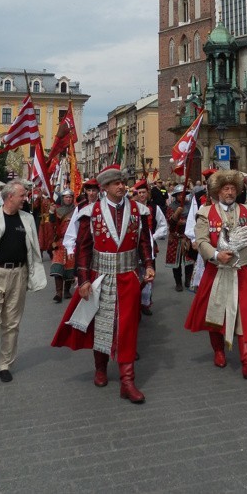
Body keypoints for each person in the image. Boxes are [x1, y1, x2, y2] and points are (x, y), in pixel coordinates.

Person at [51, 165, 154, 404]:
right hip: (101, 275)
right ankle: (100, 367)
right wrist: (84, 280)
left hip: (128, 274)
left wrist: (148, 265)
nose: (121, 186)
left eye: (123, 182)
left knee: (128, 327)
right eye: (116, 183)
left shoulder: (139, 211)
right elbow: (84, 248)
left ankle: (128, 381)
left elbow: (144, 242)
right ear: (105, 187)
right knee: (101, 323)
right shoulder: (91, 212)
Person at [185, 169, 247, 380]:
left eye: (233, 188)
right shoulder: (205, 213)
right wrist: (216, 255)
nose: (230, 192)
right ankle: (218, 350)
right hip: (216, 271)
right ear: (217, 191)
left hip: (242, 271)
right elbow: (201, 241)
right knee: (217, 313)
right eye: (225, 188)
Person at [0, 180, 46, 387]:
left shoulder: (27, 219)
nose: (25, 198)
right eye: (22, 195)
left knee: (11, 324)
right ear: (10, 196)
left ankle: (5, 364)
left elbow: (33, 250)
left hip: (18, 274)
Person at [132, 179, 168, 315]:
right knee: (135, 275)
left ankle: (145, 303)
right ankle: (134, 303)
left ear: (148, 193)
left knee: (148, 275)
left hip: (149, 246)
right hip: (133, 246)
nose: (141, 195)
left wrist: (152, 236)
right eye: (139, 192)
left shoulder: (154, 207)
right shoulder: (131, 207)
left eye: (144, 192)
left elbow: (163, 225)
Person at [165, 184, 196, 291]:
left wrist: (186, 222)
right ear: (176, 195)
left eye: (183, 195)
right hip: (175, 237)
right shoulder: (171, 207)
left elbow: (193, 220)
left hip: (186, 237)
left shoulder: (190, 205)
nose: (182, 197)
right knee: (176, 263)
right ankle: (178, 282)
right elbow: (170, 222)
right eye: (179, 195)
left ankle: (188, 280)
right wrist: (176, 215)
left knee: (189, 261)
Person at [50, 189, 76, 302]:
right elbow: (52, 224)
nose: (68, 199)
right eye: (66, 197)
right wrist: (51, 213)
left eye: (70, 197)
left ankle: (66, 291)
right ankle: (58, 293)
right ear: (62, 198)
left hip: (72, 243)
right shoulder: (58, 210)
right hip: (60, 242)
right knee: (57, 267)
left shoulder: (77, 211)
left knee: (70, 268)